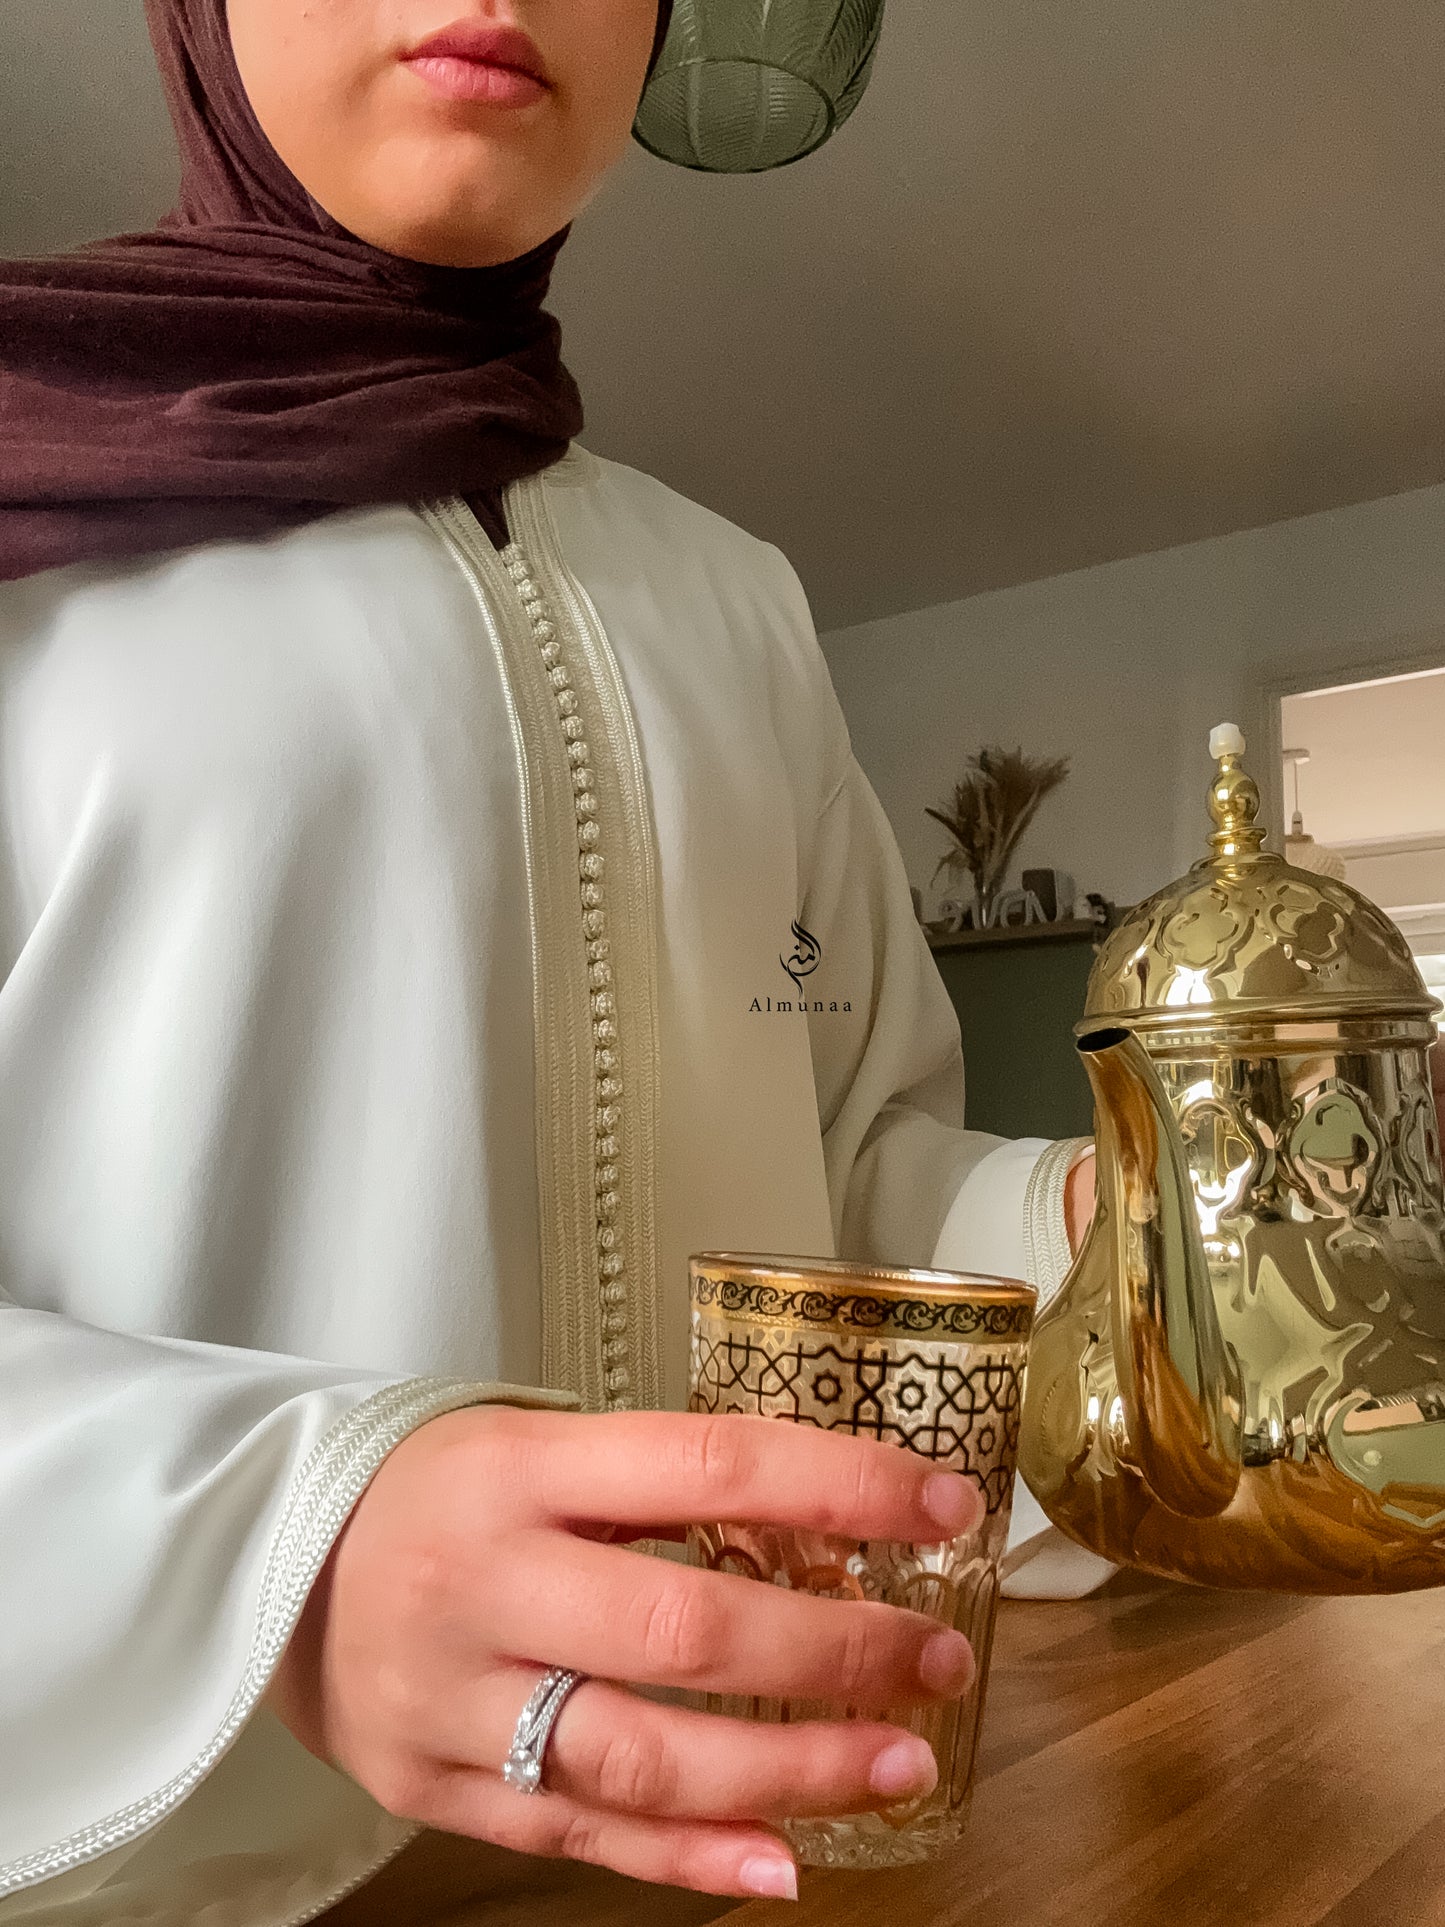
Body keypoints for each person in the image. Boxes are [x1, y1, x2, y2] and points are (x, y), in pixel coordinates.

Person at [0, 1, 1099, 1920]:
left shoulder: (731, 599)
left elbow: (841, 1187)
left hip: (755, 1858)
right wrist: (281, 1554)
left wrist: (1114, 1236)